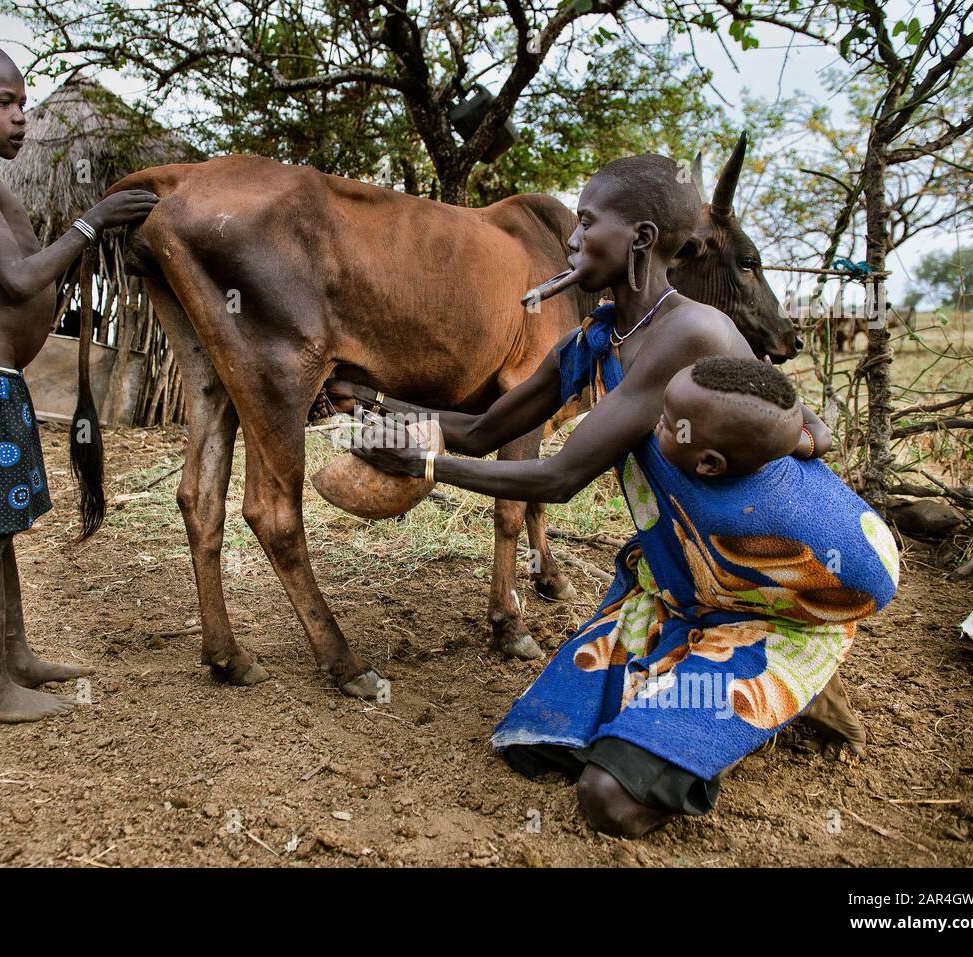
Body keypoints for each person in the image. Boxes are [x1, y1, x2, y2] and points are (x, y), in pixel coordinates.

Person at [329, 154, 898, 837]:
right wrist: (371, 410)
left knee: (610, 798)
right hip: (684, 588)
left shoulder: (688, 333)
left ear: (642, 238)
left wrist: (424, 463)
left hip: (790, 590)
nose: (570, 239)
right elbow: (481, 431)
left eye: (588, 222)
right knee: (539, 744)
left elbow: (558, 477)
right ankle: (697, 671)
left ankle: (785, 676)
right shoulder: (597, 339)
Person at [0, 37, 160, 722]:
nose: (22, 116)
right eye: (5, 102)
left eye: (24, 102)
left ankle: (14, 656)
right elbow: (18, 278)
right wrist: (92, 222)